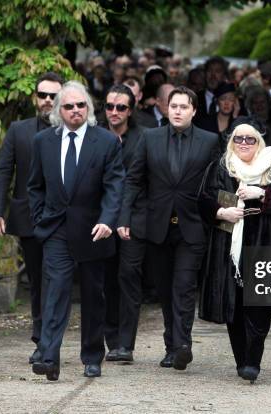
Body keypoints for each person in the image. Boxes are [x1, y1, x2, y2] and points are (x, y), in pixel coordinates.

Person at [27, 81, 124, 381]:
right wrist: (40, 217)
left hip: (95, 230)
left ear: (89, 108)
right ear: (59, 111)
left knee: (94, 295)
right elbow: (34, 186)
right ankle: (48, 356)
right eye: (68, 106)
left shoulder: (106, 142)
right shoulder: (43, 141)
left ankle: (92, 356)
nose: (75, 111)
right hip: (56, 228)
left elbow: (114, 186)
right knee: (55, 292)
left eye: (80, 105)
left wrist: (108, 220)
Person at [118, 86, 219, 371]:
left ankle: (182, 344)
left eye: (184, 107)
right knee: (164, 289)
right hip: (157, 225)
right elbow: (134, 180)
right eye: (173, 106)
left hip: (192, 226)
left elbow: (216, 183)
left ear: (194, 111)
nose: (177, 111)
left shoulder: (209, 140)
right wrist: (124, 218)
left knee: (184, 287)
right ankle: (170, 345)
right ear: (166, 108)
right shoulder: (150, 138)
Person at [198, 122, 271, 383]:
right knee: (235, 303)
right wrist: (221, 212)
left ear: (259, 142)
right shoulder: (221, 166)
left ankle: (254, 358)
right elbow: (204, 200)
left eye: (249, 139)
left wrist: (262, 195)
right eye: (238, 138)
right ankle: (244, 361)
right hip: (229, 243)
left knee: (261, 304)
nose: (243, 143)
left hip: (266, 242)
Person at [0, 72, 63, 363]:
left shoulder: (73, 129)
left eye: (52, 96)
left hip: (64, 218)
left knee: (56, 279)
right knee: (36, 279)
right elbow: (3, 172)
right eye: (42, 95)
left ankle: (49, 340)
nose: (46, 101)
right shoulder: (19, 130)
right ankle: (41, 337)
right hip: (29, 217)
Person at [100, 85, 146, 363]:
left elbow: (142, 182)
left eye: (120, 107)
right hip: (102, 220)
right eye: (109, 106)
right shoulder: (95, 136)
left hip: (133, 221)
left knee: (128, 277)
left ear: (131, 110)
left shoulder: (143, 138)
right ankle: (112, 339)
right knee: (105, 281)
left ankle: (125, 345)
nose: (114, 112)